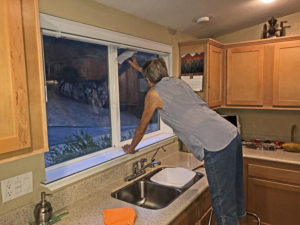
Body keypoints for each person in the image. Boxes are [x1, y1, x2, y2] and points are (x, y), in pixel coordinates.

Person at [122, 58, 246, 225]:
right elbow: (155, 78)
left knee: (222, 205)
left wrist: (131, 147)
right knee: (235, 192)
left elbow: (141, 127)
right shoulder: (176, 82)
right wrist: (139, 69)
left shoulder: (153, 94)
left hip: (216, 145)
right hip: (230, 133)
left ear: (148, 79)